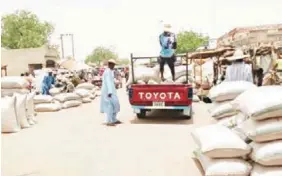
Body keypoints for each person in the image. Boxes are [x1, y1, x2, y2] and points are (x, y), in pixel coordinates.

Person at [100, 59, 121, 126]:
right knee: (109, 106)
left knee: (115, 104)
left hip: (112, 90)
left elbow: (111, 80)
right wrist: (109, 92)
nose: (114, 66)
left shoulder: (111, 71)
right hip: (108, 91)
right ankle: (109, 121)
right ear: (109, 64)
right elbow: (108, 82)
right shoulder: (107, 72)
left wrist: (116, 82)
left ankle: (114, 119)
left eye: (114, 65)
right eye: (113, 65)